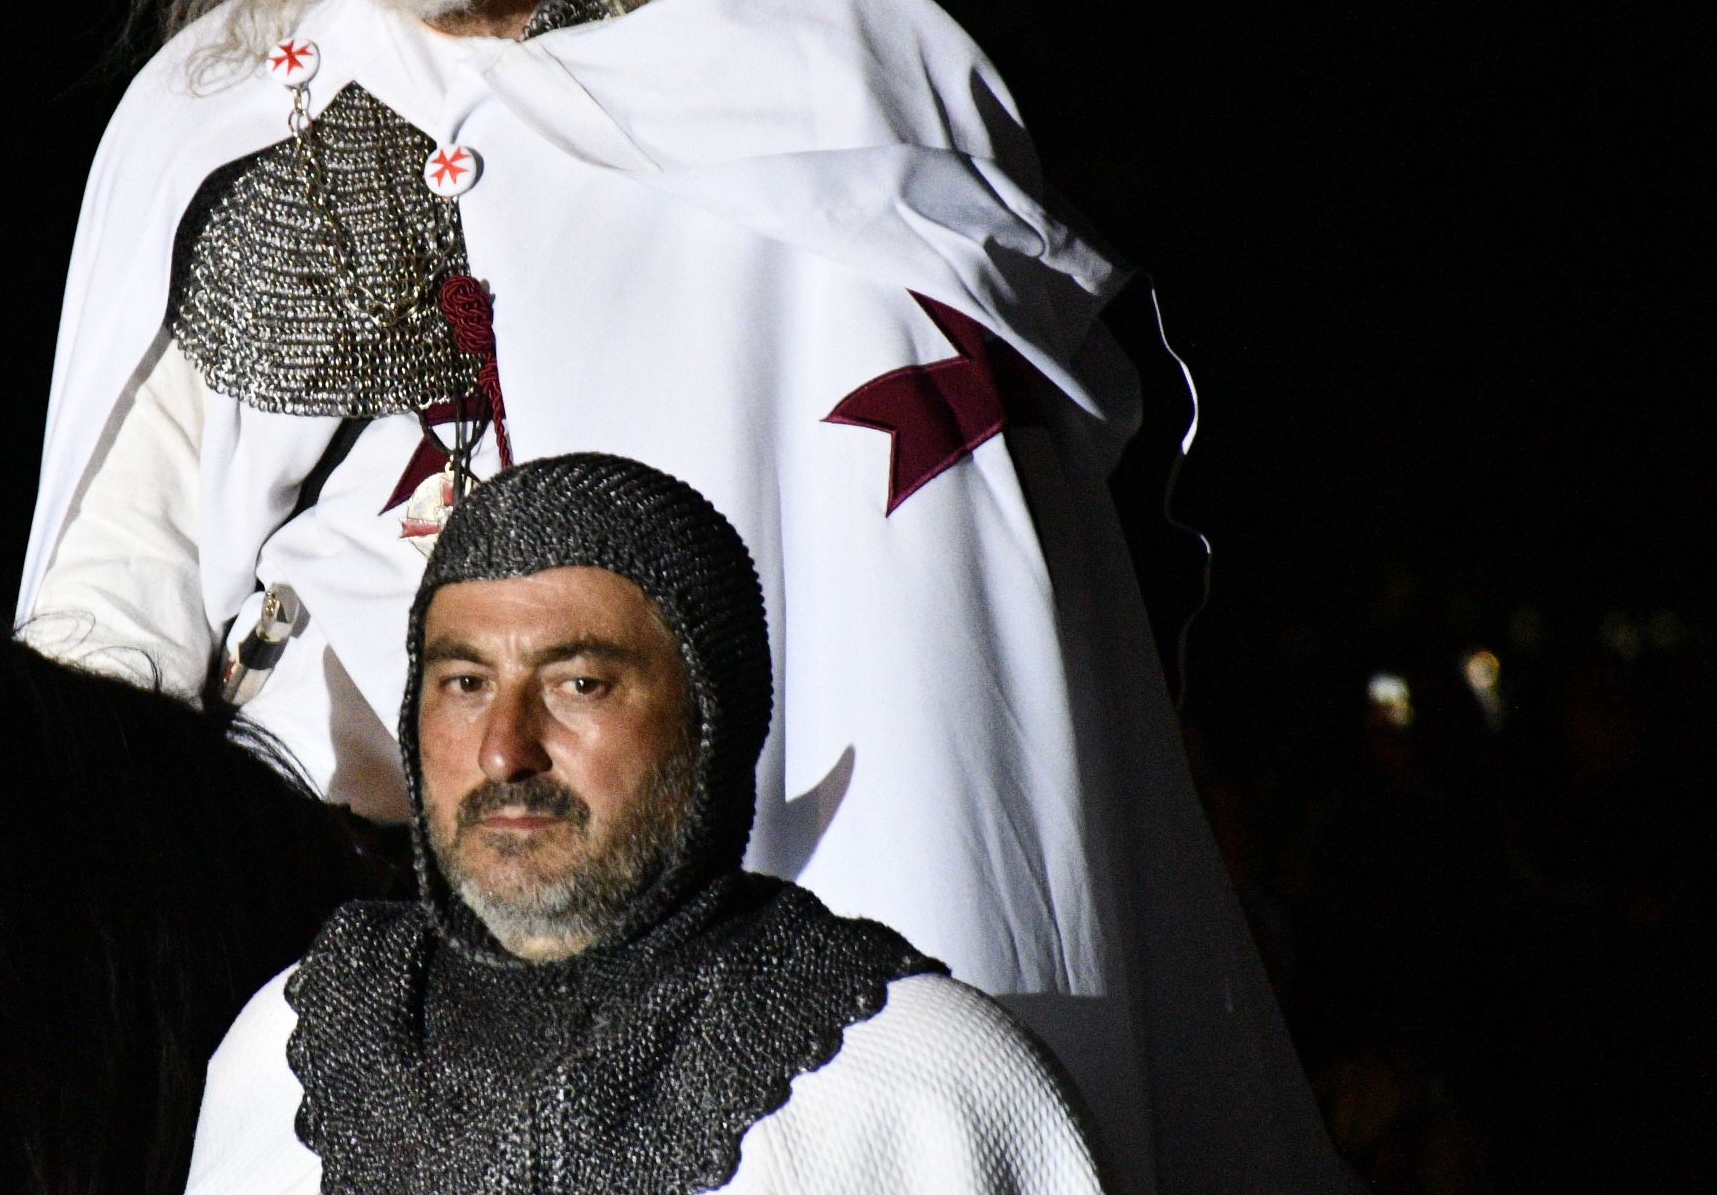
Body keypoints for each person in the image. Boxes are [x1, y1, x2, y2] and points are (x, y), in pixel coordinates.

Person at [16, 0, 1343, 1188]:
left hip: (732, 909)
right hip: (308, 907)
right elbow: (112, 600)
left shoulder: (822, 86)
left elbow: (926, 585)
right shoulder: (216, 119)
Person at [186, 453, 1110, 1194]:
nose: (506, 751)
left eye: (578, 684)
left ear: (712, 720)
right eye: (464, 683)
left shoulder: (925, 1090)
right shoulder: (281, 1058)